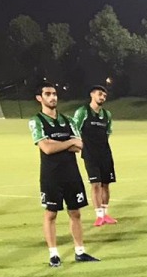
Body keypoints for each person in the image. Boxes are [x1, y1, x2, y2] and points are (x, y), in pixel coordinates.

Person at [29, 81, 99, 267]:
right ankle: (53, 255)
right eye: (48, 94)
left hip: (71, 173)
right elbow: (46, 148)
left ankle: (80, 251)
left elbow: (80, 145)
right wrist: (68, 142)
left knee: (75, 212)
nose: (53, 97)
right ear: (40, 98)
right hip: (51, 175)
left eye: (54, 94)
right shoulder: (36, 121)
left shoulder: (68, 120)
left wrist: (59, 143)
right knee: (51, 214)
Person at [72, 85, 117, 227]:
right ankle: (98, 216)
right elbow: (74, 129)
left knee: (106, 184)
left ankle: (105, 213)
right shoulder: (83, 112)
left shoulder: (107, 115)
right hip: (90, 154)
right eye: (99, 94)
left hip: (105, 153)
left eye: (104, 95)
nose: (102, 97)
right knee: (95, 184)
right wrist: (80, 145)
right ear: (92, 94)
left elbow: (108, 132)